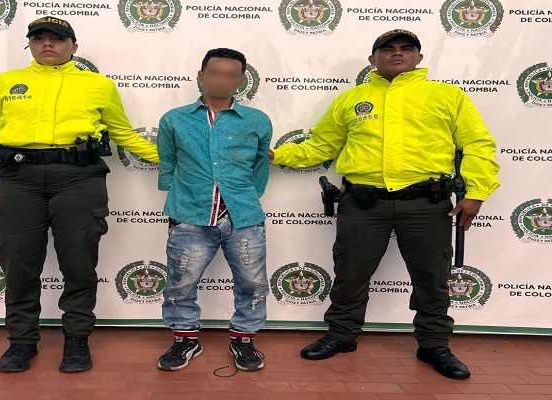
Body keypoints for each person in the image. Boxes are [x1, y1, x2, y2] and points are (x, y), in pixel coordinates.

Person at [270, 29, 500, 380]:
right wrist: (275, 155)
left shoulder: (447, 96)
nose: (397, 53)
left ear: (418, 58)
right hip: (364, 204)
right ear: (372, 59)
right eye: (388, 49)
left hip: (426, 204)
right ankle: (342, 335)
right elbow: (320, 147)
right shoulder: (352, 99)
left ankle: (433, 344)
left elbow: (478, 145)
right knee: (350, 273)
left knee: (432, 277)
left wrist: (477, 192)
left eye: (406, 48)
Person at [0, 16, 159, 373]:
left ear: (73, 46)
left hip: (78, 179)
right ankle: (21, 341)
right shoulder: (5, 83)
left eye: (57, 38)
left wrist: (172, 159)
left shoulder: (99, 85)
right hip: (19, 180)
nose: (48, 44)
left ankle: (77, 339)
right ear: (30, 45)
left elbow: (124, 134)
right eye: (39, 38)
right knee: (18, 263)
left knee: (79, 262)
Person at [156, 48, 272, 372]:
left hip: (244, 216)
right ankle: (185, 339)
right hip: (189, 214)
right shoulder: (174, 119)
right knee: (181, 282)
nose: (222, 80)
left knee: (253, 283)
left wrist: (244, 196)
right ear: (201, 76)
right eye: (215, 73)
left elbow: (260, 166)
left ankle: (244, 339)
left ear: (241, 81)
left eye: (230, 75)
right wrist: (184, 195)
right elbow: (168, 162)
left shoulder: (258, 121)